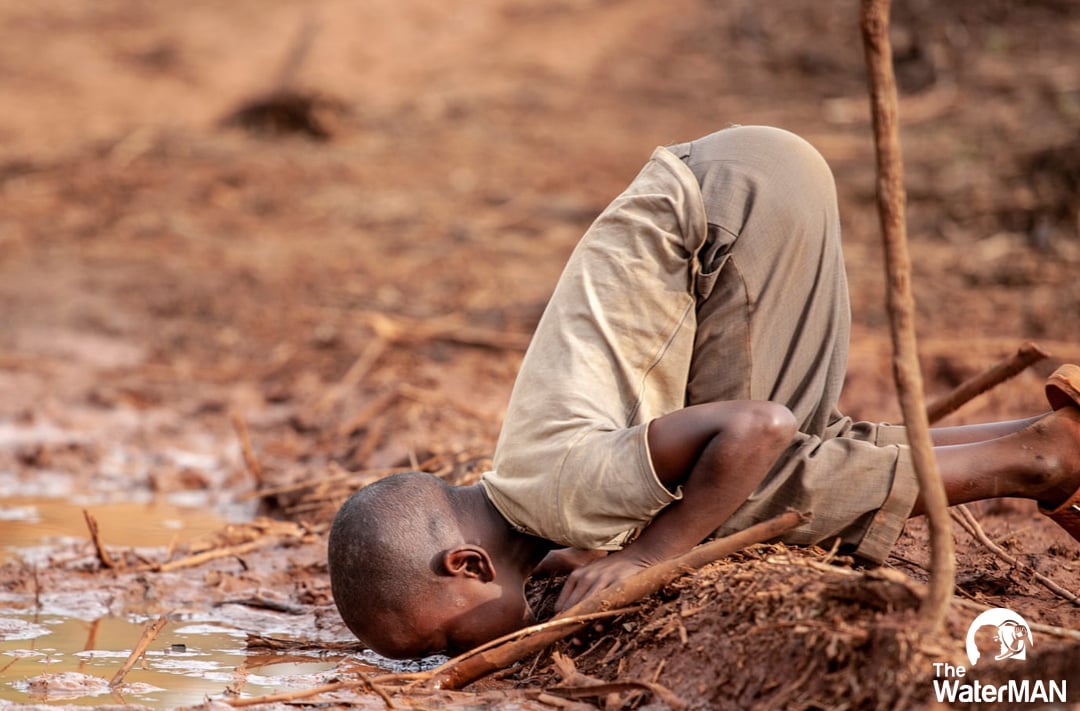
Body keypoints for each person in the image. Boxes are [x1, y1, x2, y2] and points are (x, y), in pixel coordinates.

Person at [327, 125, 1080, 660]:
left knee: (747, 497)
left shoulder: (559, 494)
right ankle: (1038, 432)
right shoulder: (536, 491)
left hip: (729, 216)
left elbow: (758, 427)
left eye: (446, 641)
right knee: (760, 473)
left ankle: (1041, 459)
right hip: (740, 182)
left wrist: (649, 557)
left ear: (468, 567)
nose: (451, 660)